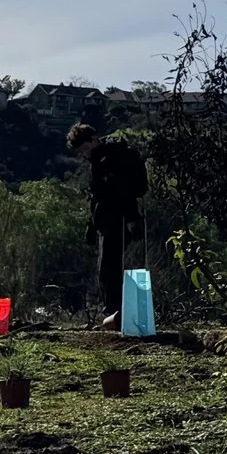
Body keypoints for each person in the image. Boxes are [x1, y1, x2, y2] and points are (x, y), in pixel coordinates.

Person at [68, 123, 148, 330]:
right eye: (81, 152)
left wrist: (131, 218)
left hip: (120, 218)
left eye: (85, 149)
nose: (84, 154)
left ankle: (118, 314)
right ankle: (115, 314)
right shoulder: (97, 161)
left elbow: (128, 191)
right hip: (104, 221)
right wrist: (91, 226)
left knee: (110, 268)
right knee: (105, 269)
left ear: (93, 140)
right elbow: (96, 196)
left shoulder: (116, 156)